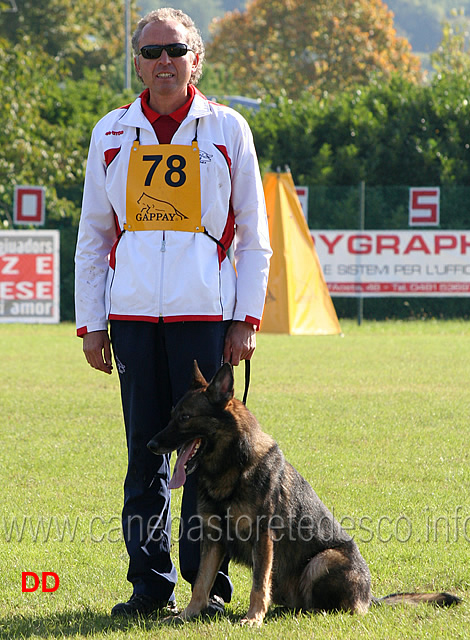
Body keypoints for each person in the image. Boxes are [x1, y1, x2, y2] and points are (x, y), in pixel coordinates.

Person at [74, 7, 271, 619]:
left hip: (202, 317)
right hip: (132, 319)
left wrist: (244, 319)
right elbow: (93, 235)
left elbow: (254, 237)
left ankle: (203, 587)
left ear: (196, 58)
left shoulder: (228, 128)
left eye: (176, 51)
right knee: (146, 452)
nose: (164, 62)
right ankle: (149, 586)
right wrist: (94, 323)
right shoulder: (111, 132)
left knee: (205, 454)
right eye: (152, 51)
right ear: (135, 60)